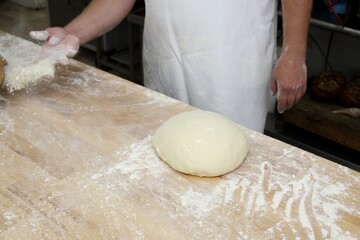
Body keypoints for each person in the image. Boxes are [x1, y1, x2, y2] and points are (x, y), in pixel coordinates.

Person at [30, 0, 313, 132]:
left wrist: (293, 53)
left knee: (230, 153)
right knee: (168, 144)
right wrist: (73, 33)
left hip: (231, 60)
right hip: (165, 55)